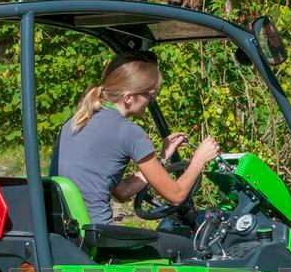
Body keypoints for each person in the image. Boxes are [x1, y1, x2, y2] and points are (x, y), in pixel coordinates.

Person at [54, 52, 219, 226]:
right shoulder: (128, 131)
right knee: (184, 246)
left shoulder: (76, 121)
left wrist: (162, 157)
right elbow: (176, 195)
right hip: (97, 236)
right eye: (150, 94)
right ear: (128, 97)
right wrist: (199, 160)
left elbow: (122, 192)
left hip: (68, 234)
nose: (152, 100)